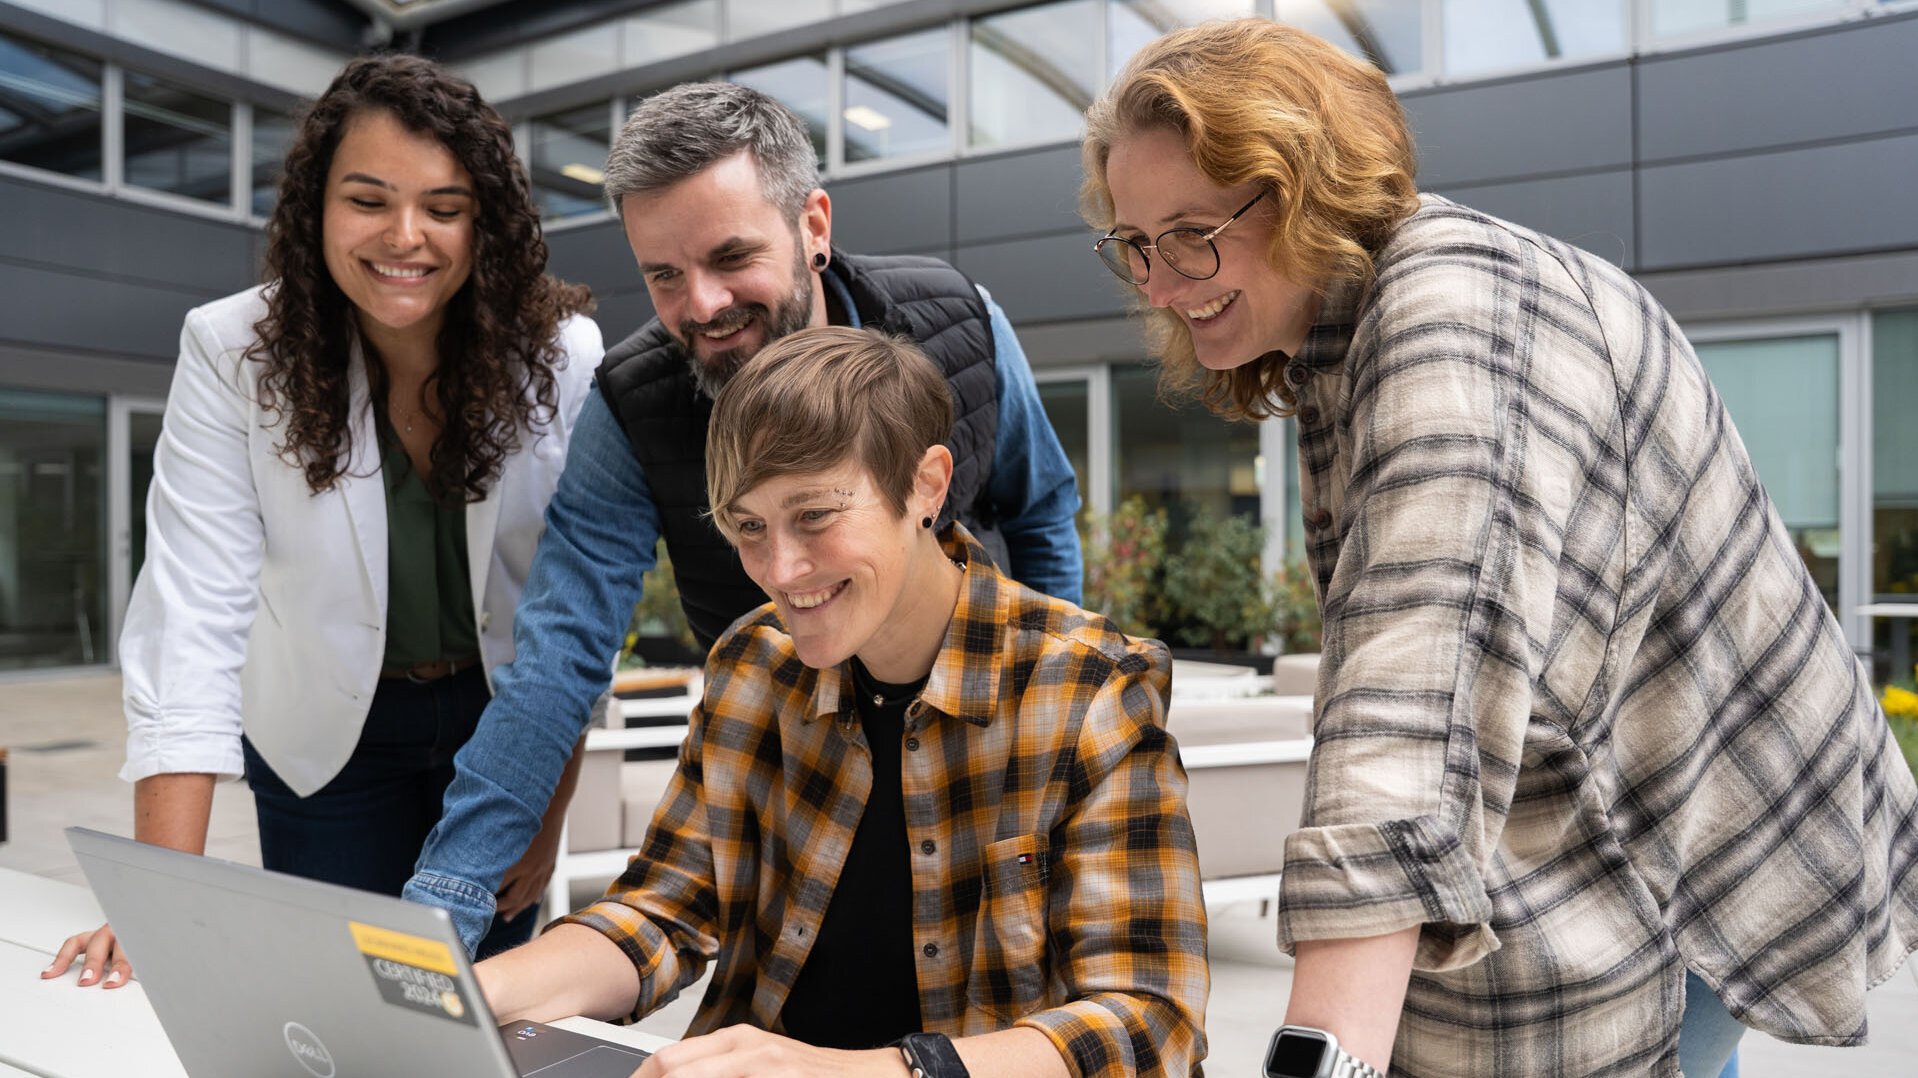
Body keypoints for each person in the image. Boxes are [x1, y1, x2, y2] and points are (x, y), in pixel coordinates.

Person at [1079, 18, 1918, 1078]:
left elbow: (1407, 712)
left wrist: (1318, 1063)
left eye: (1193, 230)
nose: (1159, 282)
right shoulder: (1347, 333)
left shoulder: (1454, 321)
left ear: (1306, 185)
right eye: (1136, 244)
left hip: (1676, 853)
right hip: (1603, 835)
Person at [402, 82, 1083, 951]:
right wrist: (445, 896)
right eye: (664, 275)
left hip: (980, 759)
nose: (703, 305)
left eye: (732, 257)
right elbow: (558, 656)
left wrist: (1051, 724)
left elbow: (1041, 510)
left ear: (814, 226)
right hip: (793, 781)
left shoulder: (961, 324)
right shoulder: (631, 404)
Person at [475, 325, 1206, 1078]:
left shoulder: (1089, 688)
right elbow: (662, 910)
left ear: (926, 485)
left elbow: (1150, 1020)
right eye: (749, 526)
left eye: (816, 515)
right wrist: (470, 993)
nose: (782, 569)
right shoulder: (753, 666)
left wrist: (866, 1072)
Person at [41, 54, 603, 989]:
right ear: (317, 207)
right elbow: (192, 611)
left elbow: (571, 609)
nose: (406, 236)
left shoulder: (558, 356)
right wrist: (161, 897)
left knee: (489, 1011)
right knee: (338, 1009)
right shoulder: (231, 351)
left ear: (485, 222)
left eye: (444, 206)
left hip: (502, 727)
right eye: (368, 199)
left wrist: (547, 810)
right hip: (321, 737)